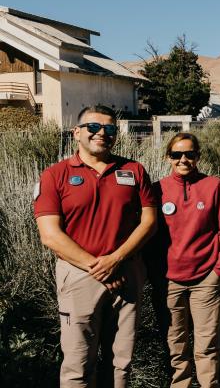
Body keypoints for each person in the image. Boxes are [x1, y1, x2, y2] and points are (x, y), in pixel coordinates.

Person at [35, 105, 158, 388]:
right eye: (93, 127)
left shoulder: (133, 170)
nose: (101, 133)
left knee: (121, 364)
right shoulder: (56, 175)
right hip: (79, 276)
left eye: (109, 128)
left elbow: (149, 223)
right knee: (78, 365)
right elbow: (50, 235)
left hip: (126, 273)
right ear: (76, 133)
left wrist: (116, 259)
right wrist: (100, 266)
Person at [155, 133, 220, 388]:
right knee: (176, 343)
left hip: (206, 280)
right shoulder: (157, 189)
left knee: (207, 344)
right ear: (168, 157)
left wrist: (219, 269)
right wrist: (156, 272)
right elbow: (149, 235)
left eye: (190, 154)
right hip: (169, 281)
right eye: (177, 154)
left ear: (198, 156)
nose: (183, 159)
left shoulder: (215, 187)